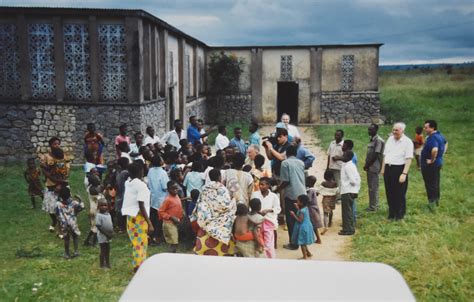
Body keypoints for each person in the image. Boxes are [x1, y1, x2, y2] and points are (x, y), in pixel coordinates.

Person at [192, 169, 236, 256]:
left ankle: (204, 250)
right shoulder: (223, 189)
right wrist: (234, 202)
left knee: (205, 234)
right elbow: (226, 205)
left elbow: (200, 203)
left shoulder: (204, 188)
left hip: (207, 218)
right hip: (220, 220)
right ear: (220, 177)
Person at [121, 163, 154, 272]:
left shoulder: (128, 182)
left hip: (131, 217)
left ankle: (139, 264)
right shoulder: (141, 185)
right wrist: (149, 223)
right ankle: (139, 268)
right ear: (140, 172)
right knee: (141, 243)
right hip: (139, 217)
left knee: (137, 243)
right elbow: (141, 204)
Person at [381, 122, 413, 220]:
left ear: (402, 130)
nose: (394, 132)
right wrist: (383, 169)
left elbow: (409, 159)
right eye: (393, 130)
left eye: (397, 130)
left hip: (399, 169)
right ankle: (391, 213)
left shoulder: (407, 142)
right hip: (388, 168)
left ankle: (400, 215)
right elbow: (385, 155)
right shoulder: (390, 139)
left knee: (399, 193)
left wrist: (404, 173)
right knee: (389, 192)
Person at [40, 137, 71, 233]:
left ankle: (63, 223)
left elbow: (67, 171)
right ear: (50, 145)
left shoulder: (63, 156)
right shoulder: (46, 157)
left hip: (62, 183)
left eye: (58, 143)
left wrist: (60, 184)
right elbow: (44, 170)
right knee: (51, 207)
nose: (57, 145)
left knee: (64, 205)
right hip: (51, 184)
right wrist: (54, 180)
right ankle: (54, 221)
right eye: (54, 144)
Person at [279, 144, 306, 250]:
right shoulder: (301, 163)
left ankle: (293, 243)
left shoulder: (285, 163)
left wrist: (278, 188)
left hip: (291, 195)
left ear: (287, 153)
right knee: (300, 218)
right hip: (302, 194)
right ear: (296, 153)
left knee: (291, 220)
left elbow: (285, 181)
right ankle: (301, 241)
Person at [251, 177, 280, 258]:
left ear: (268, 185)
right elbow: (251, 207)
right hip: (256, 221)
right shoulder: (255, 194)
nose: (261, 186)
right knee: (258, 243)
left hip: (269, 222)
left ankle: (271, 260)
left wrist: (268, 210)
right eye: (260, 184)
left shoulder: (274, 196)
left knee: (269, 245)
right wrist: (256, 212)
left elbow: (278, 208)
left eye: (263, 185)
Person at [421, 120, 446, 209]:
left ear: (432, 128)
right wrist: (442, 153)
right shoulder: (440, 135)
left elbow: (434, 149)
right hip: (438, 163)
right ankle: (436, 200)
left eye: (426, 127)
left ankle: (432, 202)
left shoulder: (432, 138)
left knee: (430, 184)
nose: (424, 129)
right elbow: (446, 143)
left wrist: (432, 160)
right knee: (435, 182)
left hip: (430, 165)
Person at [55, 186, 85, 259]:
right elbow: (81, 207)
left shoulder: (58, 204)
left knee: (66, 239)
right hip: (73, 223)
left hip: (64, 224)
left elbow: (57, 214)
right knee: (75, 237)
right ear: (70, 195)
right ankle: (76, 251)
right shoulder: (74, 203)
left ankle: (67, 254)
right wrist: (80, 199)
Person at [147, 155, 169, 245]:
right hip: (161, 198)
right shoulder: (163, 173)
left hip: (153, 198)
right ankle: (157, 237)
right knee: (159, 220)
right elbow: (165, 187)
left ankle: (151, 236)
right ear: (160, 162)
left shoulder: (150, 171)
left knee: (153, 218)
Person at [364, 124, 385, 212]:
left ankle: (374, 207)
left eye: (371, 130)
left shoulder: (378, 140)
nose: (369, 131)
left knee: (373, 187)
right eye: (369, 129)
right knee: (371, 187)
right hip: (370, 166)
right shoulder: (372, 139)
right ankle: (371, 205)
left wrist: (367, 165)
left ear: (376, 130)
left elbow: (376, 155)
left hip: (374, 166)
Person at [159, 181, 183, 253]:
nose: (175, 190)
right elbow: (160, 211)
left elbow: (177, 205)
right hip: (169, 223)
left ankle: (172, 254)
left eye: (176, 188)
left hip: (175, 223)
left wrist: (182, 212)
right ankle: (170, 255)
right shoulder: (167, 199)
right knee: (174, 242)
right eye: (173, 189)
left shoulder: (177, 196)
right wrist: (171, 217)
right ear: (168, 190)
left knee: (174, 241)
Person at [339, 150, 360, 235]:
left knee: (347, 211)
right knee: (348, 210)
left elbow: (353, 180)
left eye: (344, 156)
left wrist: (350, 185)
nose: (342, 157)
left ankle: (349, 230)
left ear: (348, 157)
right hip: (349, 190)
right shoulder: (350, 165)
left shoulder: (348, 167)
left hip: (348, 191)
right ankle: (347, 228)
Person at [290, 194, 314, 259]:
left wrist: (293, 214)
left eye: (298, 201)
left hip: (302, 228)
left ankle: (304, 256)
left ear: (301, 203)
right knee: (304, 241)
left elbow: (300, 220)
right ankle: (308, 253)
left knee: (302, 243)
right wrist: (297, 207)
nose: (297, 202)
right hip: (306, 226)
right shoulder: (305, 208)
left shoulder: (302, 211)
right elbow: (300, 211)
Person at [83, 174, 103, 246]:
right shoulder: (93, 190)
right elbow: (100, 197)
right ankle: (94, 243)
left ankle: (87, 241)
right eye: (97, 179)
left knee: (93, 227)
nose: (99, 180)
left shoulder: (90, 187)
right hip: (95, 210)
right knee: (96, 228)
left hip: (93, 209)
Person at [317, 170, 338, 235]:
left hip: (326, 199)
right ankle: (330, 222)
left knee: (325, 213)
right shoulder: (335, 183)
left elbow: (319, 190)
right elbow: (337, 191)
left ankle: (325, 226)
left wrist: (317, 194)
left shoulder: (324, 183)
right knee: (331, 211)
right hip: (333, 199)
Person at [326, 129, 344, 201]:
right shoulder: (332, 143)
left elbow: (346, 157)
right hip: (331, 166)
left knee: (338, 181)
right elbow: (329, 155)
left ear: (342, 136)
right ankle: (333, 196)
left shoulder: (343, 145)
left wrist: (338, 158)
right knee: (331, 181)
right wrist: (327, 167)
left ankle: (338, 197)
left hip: (338, 167)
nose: (336, 136)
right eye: (335, 135)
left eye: (338, 135)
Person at [95, 199, 113, 269]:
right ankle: (102, 264)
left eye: (105, 205)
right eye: (102, 205)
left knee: (107, 250)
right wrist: (107, 234)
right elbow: (99, 227)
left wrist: (111, 232)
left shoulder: (108, 214)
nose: (104, 207)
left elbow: (110, 224)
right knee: (103, 250)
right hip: (102, 236)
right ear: (98, 206)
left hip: (108, 235)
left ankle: (107, 263)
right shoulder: (99, 215)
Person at [115, 157, 130, 233]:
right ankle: (122, 227)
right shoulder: (126, 173)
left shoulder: (119, 173)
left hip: (120, 194)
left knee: (120, 211)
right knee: (122, 212)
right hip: (124, 194)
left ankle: (121, 227)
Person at [306, 175, 322, 243]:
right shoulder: (314, 189)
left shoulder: (310, 191)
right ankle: (317, 239)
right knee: (313, 225)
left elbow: (308, 199)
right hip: (314, 208)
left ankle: (318, 239)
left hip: (311, 209)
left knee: (313, 224)